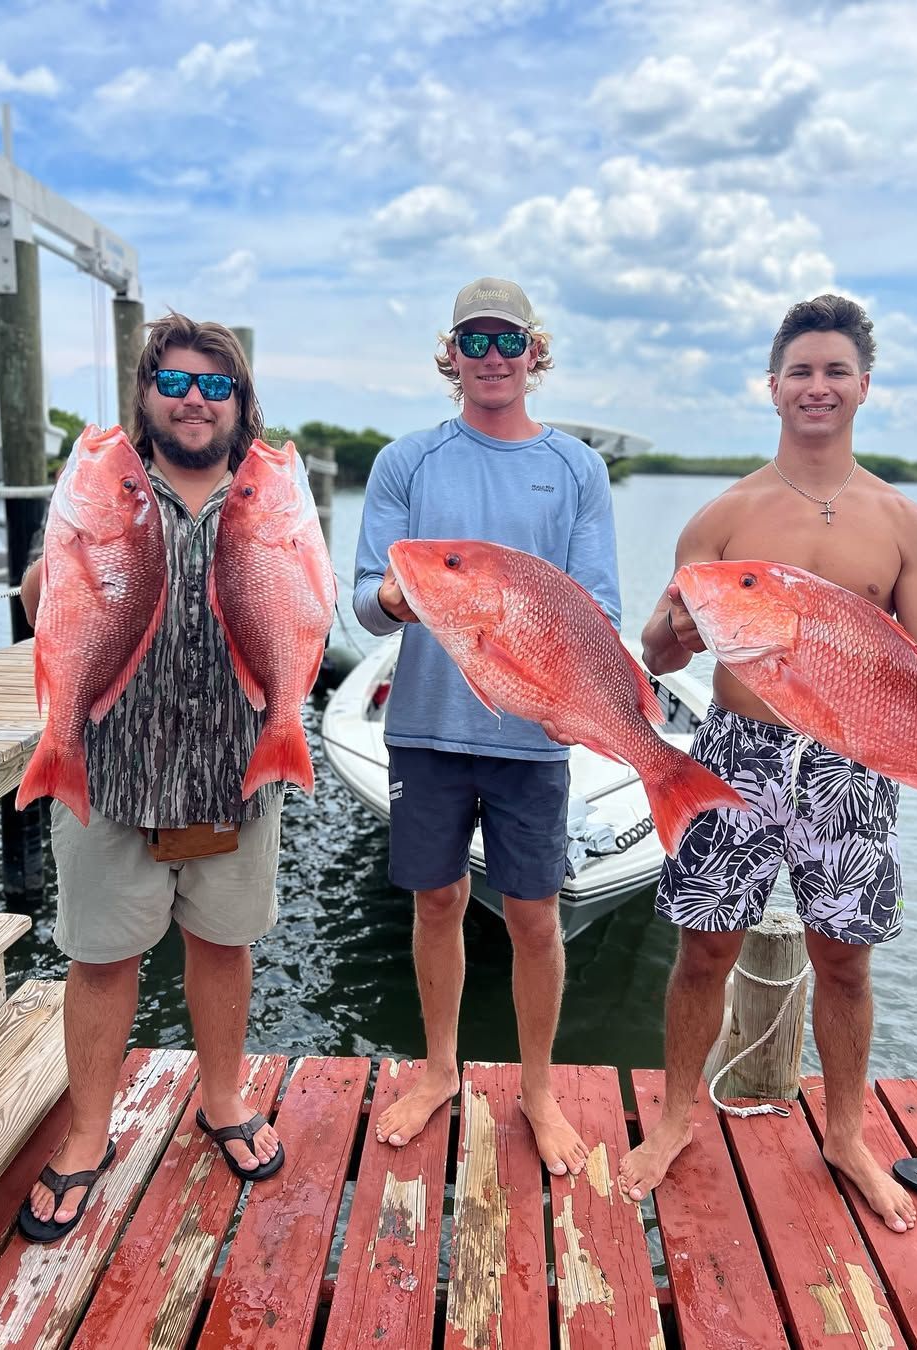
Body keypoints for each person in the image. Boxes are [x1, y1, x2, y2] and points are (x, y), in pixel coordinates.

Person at [619, 294, 917, 1231]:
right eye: (800, 371)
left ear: (863, 385)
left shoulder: (905, 522)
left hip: (855, 763)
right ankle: (674, 1116)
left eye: (835, 370)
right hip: (737, 753)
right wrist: (665, 630)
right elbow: (664, 655)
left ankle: (844, 1133)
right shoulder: (723, 515)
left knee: (846, 964)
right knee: (704, 949)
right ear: (773, 386)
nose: (817, 386)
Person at [18, 314, 287, 1241]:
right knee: (99, 956)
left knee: (224, 943)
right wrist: (45, 584)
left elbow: (307, 607)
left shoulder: (268, 492)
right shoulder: (105, 486)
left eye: (215, 386)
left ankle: (222, 1098)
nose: (194, 401)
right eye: (174, 382)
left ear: (240, 402)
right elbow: (48, 599)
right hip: (106, 769)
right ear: (145, 393)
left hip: (237, 768)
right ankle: (89, 1131)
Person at [353, 278, 621, 1175]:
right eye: (475, 340)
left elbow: (598, 608)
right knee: (436, 900)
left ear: (535, 353)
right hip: (426, 727)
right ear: (452, 354)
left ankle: (538, 1089)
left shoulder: (579, 468)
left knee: (536, 916)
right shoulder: (406, 462)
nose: (493, 355)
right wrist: (399, 595)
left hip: (534, 732)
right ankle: (438, 1070)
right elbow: (367, 603)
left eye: (509, 339)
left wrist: (581, 697)